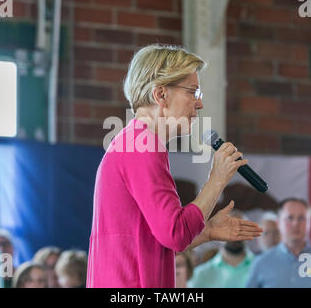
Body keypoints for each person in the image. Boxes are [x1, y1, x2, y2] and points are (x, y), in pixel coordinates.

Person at [87, 44, 263, 288]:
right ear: (160, 95)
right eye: (192, 92)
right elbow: (175, 234)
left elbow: (155, 237)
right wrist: (217, 179)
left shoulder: (133, 141)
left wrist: (208, 231)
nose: (199, 105)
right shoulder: (143, 145)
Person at [246, 198, 311, 288]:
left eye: (301, 218)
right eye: (290, 218)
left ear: (309, 222)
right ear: (278, 223)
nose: (295, 223)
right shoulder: (261, 263)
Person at [188, 210, 255, 288]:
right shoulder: (201, 274)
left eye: (242, 228)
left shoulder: (263, 268)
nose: (235, 233)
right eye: (229, 228)